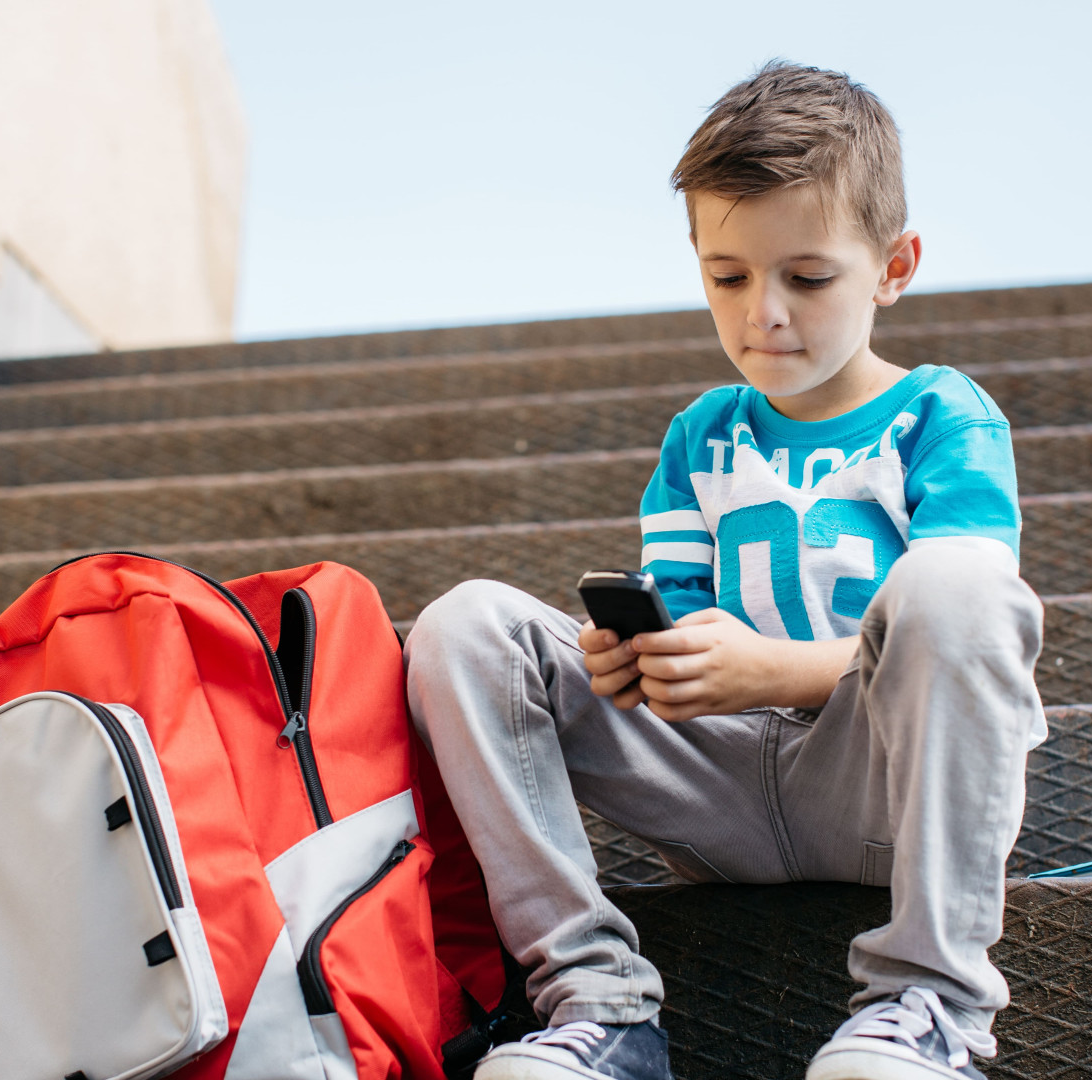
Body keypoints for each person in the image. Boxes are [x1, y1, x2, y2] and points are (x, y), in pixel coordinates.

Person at [404, 60, 1045, 1080]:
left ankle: (932, 1006)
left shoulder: (942, 415)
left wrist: (775, 672)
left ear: (895, 265)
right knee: (462, 625)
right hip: (720, 787)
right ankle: (596, 1002)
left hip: (876, 784)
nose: (765, 313)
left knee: (957, 593)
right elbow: (696, 644)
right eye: (729, 276)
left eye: (808, 276)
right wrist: (646, 665)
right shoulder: (700, 437)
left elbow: (965, 642)